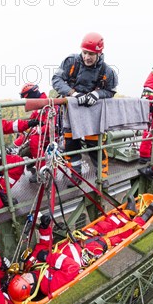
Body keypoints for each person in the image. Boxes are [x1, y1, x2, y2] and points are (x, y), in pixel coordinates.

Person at [7, 200, 153, 302]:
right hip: (86, 253)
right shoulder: (49, 286)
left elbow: (42, 245)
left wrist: (44, 228)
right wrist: (49, 258)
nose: (26, 275)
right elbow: (72, 268)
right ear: (31, 288)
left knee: (103, 226)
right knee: (116, 236)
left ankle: (127, 213)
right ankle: (144, 217)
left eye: (23, 276)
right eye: (27, 279)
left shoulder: (30, 265)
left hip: (76, 242)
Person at [52, 32, 118, 188]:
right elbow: (56, 80)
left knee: (95, 146)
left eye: (92, 54)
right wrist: (73, 93)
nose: (87, 57)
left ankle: (102, 176)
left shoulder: (107, 71)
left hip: (92, 113)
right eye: (85, 53)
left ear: (99, 53)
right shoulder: (71, 62)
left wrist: (97, 94)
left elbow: (110, 90)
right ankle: (75, 176)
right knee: (71, 145)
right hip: (71, 110)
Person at [17, 83, 52, 184]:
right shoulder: (38, 105)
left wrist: (37, 130)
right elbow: (32, 120)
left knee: (34, 140)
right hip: (42, 135)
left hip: (49, 136)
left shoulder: (47, 105)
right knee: (24, 137)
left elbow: (52, 126)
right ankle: (32, 162)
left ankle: (43, 171)